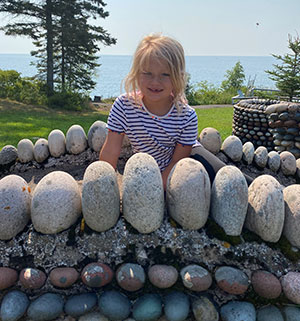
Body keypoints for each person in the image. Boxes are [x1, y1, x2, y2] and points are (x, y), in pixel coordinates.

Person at [99, 33, 245, 188]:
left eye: (165, 74)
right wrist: (104, 184)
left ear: (177, 77)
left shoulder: (186, 116)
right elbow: (110, 151)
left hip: (190, 157)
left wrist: (157, 189)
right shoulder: (124, 106)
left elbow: (177, 161)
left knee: (234, 181)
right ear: (136, 73)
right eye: (147, 73)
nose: (155, 81)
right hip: (149, 167)